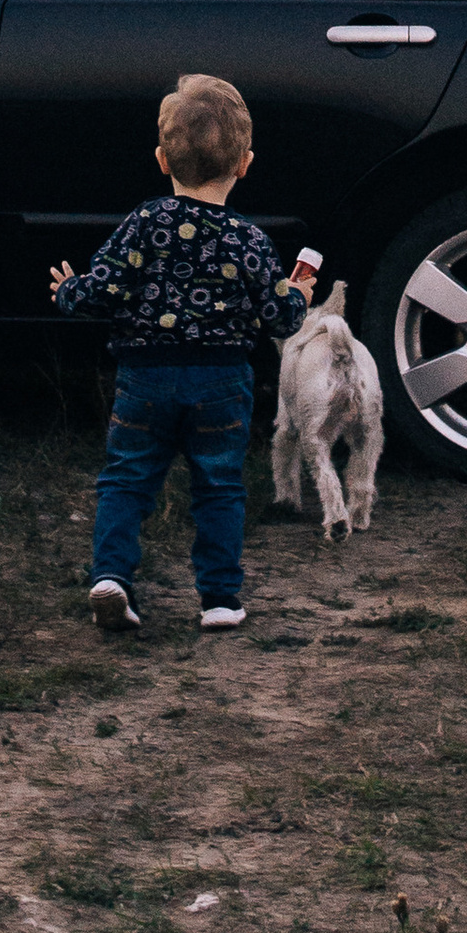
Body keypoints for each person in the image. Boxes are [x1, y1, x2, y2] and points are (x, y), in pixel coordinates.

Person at [48, 72, 309, 635]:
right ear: (246, 164)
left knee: (126, 477)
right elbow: (280, 318)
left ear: (163, 159)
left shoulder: (143, 223)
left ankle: (112, 576)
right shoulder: (249, 239)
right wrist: (300, 293)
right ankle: (218, 599)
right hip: (222, 382)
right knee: (219, 484)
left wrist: (67, 288)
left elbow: (103, 291)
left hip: (145, 378)